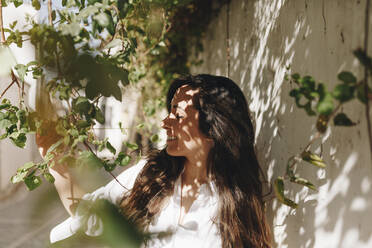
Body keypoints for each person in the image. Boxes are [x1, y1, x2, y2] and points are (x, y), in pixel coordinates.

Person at [37, 74, 272, 248]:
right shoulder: (150, 175)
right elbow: (88, 214)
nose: (165, 122)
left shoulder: (233, 205)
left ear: (213, 129)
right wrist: (54, 158)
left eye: (178, 115)